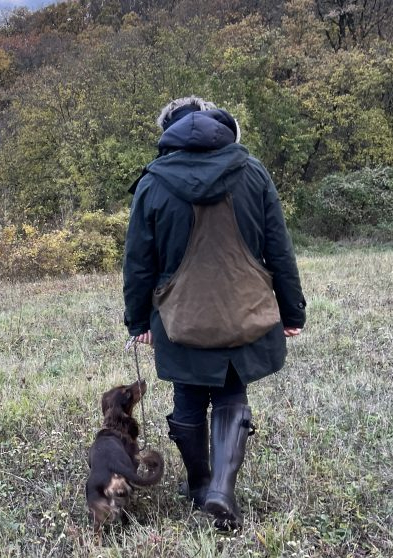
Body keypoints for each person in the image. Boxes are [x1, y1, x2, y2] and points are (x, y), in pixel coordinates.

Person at [122, 96, 306, 529]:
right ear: (223, 126)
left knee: (187, 394)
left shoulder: (152, 182)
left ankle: (200, 485)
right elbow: (279, 248)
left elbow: (138, 262)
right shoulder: (252, 171)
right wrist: (292, 310)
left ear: (167, 130)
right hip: (244, 308)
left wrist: (137, 320)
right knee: (230, 392)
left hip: (178, 314)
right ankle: (221, 490)